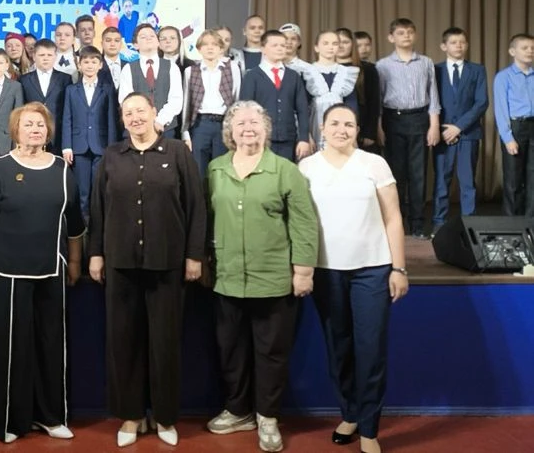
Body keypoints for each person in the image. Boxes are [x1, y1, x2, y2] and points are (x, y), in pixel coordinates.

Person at [88, 93, 204, 447]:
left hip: (166, 263)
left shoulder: (178, 153)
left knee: (165, 344)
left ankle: (165, 416)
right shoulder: (111, 156)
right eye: (128, 113)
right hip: (121, 264)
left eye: (141, 110)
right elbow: (98, 208)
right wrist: (96, 254)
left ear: (154, 113)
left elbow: (196, 206)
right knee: (124, 343)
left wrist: (194, 256)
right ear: (122, 119)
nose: (135, 117)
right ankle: (131, 416)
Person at [0, 102, 84, 443]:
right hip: (7, 273)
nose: (35, 129)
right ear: (15, 131)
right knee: (9, 349)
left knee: (52, 345)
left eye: (40, 125)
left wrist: (75, 263)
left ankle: (51, 417)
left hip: (52, 272)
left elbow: (74, 224)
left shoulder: (61, 169)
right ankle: (6, 421)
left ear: (48, 132)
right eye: (28, 124)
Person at [206, 100, 318, 453]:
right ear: (230, 131)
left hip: (273, 280)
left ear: (267, 129)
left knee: (271, 353)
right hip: (227, 278)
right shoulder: (215, 169)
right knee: (231, 350)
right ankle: (238, 410)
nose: (247, 128)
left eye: (254, 122)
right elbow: (205, 219)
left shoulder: (285, 171)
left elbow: (304, 223)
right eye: (240, 123)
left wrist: (303, 270)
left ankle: (267, 416)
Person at [298, 104, 408, 453]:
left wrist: (399, 268)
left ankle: (370, 429)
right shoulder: (306, 168)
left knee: (370, 350)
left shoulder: (374, 164)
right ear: (322, 128)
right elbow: (300, 222)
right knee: (339, 348)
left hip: (372, 269)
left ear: (358, 130)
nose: (341, 130)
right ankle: (350, 413)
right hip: (326, 271)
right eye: (334, 123)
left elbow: (393, 218)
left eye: (349, 124)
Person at [375, 18, 440, 238]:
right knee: (396, 174)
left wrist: (434, 125)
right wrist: (379, 127)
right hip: (393, 120)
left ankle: (418, 225)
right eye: (401, 33)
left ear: (415, 35)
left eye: (410, 32)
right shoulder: (383, 65)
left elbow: (433, 96)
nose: (406, 36)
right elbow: (379, 99)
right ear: (391, 37)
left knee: (418, 174)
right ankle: (397, 224)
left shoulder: (426, 62)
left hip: (419, 118)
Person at [431, 28, 488, 233]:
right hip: (442, 134)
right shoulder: (434, 70)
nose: (459, 46)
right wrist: (440, 128)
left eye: (462, 42)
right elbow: (431, 101)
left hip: (468, 134)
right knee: (441, 181)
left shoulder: (477, 70)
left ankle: (469, 224)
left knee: (467, 181)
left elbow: (481, 103)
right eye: (454, 42)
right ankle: (439, 223)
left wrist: (458, 127)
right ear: (444, 46)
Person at [61, 46, 119, 220]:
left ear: (100, 65)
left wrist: (112, 147)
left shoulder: (107, 89)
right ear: (79, 65)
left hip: (101, 146)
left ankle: (99, 224)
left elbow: (111, 119)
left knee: (99, 188)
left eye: (94, 62)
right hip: (79, 146)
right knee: (82, 190)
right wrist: (66, 146)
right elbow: (67, 118)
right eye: (85, 62)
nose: (89, 65)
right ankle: (83, 225)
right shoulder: (71, 90)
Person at [239, 30, 311, 161]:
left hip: (288, 139)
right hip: (260, 139)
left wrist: (304, 139)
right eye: (275, 45)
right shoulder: (252, 76)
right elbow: (245, 110)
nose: (280, 48)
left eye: (283, 45)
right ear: (263, 49)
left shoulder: (293, 76)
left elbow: (302, 109)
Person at [182, 30, 241, 173]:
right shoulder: (191, 71)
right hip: (200, 124)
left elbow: (237, 98)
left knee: (222, 168)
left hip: (224, 123)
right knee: (199, 168)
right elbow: (187, 104)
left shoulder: (232, 68)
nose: (210, 48)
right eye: (205, 44)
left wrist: (235, 127)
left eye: (214, 44)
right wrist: (185, 132)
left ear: (221, 48)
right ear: (199, 49)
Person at [493, 33, 534, 217]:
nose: (530, 51)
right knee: (513, 179)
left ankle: (530, 221)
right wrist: (507, 138)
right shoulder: (504, 77)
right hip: (516, 128)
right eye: (525, 48)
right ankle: (512, 222)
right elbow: (501, 109)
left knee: (532, 178)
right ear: (512, 51)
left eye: (532, 48)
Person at [118, 24, 184, 136]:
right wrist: (143, 122)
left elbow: (176, 100)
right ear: (135, 44)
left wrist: (160, 121)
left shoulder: (172, 67)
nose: (148, 38)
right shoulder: (128, 69)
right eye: (143, 37)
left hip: (166, 130)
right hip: (137, 130)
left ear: (158, 42)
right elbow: (125, 100)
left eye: (152, 36)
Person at [304, 30, 359, 149]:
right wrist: (306, 135)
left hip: (341, 123)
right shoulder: (308, 72)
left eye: (335, 43)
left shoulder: (346, 73)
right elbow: (302, 106)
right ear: (316, 47)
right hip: (315, 122)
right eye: (326, 43)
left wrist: (352, 133)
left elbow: (352, 105)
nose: (330, 47)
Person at [20, 39, 71, 155]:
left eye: (49, 55)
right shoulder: (24, 80)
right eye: (42, 55)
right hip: (32, 135)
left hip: (57, 135)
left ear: (55, 56)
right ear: (34, 56)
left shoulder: (65, 79)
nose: (46, 58)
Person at [336, 28, 380, 153]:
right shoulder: (324, 68)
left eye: (345, 42)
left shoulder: (368, 69)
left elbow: (374, 102)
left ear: (352, 45)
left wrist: (369, 133)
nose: (341, 46)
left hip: (361, 129)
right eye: (337, 42)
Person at [99, 26, 126, 91]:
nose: (112, 44)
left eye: (117, 41)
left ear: (121, 44)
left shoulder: (129, 66)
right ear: (102, 44)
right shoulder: (95, 66)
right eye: (108, 40)